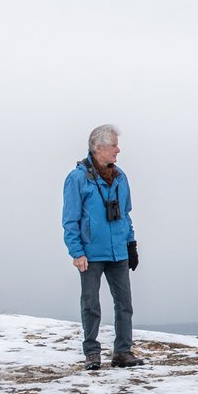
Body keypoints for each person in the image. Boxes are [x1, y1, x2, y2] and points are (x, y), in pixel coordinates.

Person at [62, 124, 143, 370]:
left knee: (124, 304)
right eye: (114, 146)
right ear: (98, 147)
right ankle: (92, 353)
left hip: (118, 251)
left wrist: (131, 244)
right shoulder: (77, 178)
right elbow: (70, 220)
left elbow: (125, 215)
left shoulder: (120, 177)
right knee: (91, 304)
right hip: (91, 254)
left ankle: (122, 353)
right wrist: (77, 252)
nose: (118, 150)